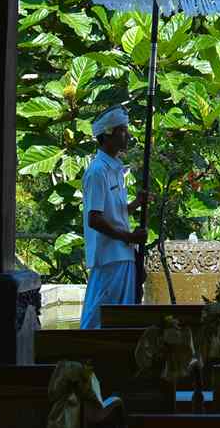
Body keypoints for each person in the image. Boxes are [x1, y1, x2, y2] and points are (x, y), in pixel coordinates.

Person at [80, 106, 146, 329]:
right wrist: (128, 236)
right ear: (108, 135)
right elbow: (95, 219)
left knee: (118, 317)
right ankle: (81, 356)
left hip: (122, 255)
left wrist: (135, 204)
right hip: (110, 257)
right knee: (99, 316)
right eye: (122, 130)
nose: (127, 135)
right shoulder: (97, 171)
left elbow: (113, 213)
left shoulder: (114, 169)